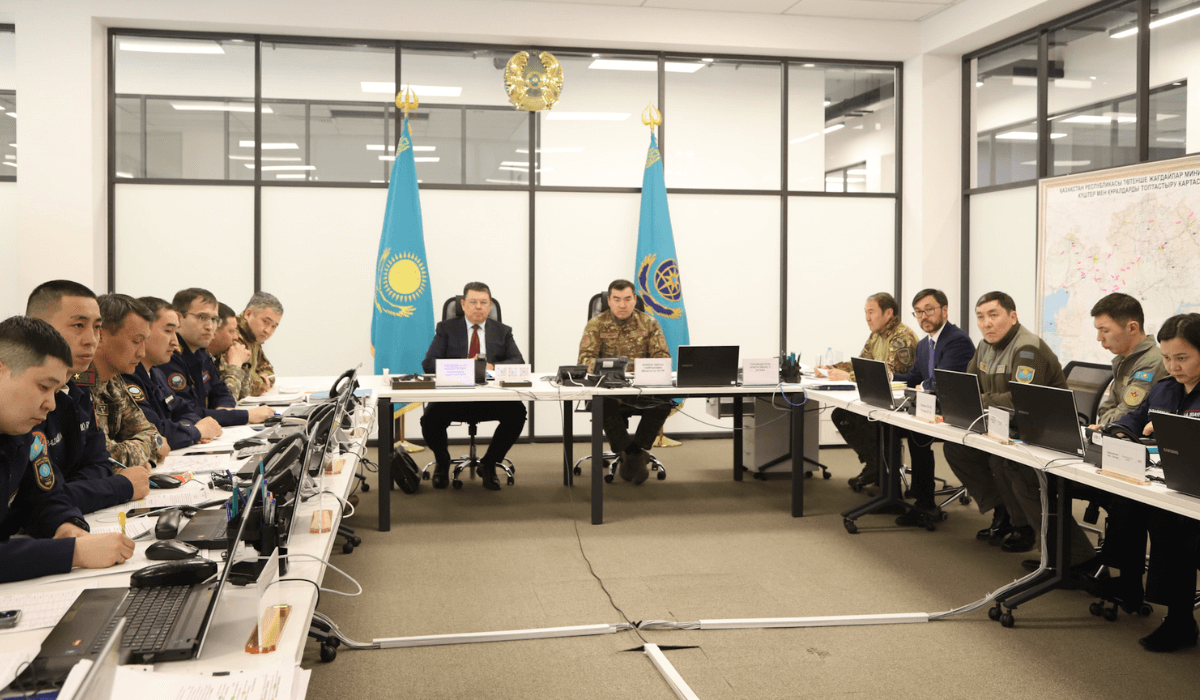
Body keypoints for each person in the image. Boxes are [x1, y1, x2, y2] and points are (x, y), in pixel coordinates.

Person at [941, 292, 1093, 564]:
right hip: (1006, 428)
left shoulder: (1028, 349)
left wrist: (979, 400)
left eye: (993, 315)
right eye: (980, 317)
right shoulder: (985, 345)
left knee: (1003, 461)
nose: (986, 323)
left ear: (1012, 317)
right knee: (957, 449)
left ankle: (1026, 528)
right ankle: (1004, 512)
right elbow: (968, 386)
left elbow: (1021, 400)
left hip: (1043, 435)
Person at [1094, 313, 1200, 652]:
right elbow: (1134, 419)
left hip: (1194, 495)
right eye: (1167, 357)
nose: (1173, 366)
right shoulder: (1165, 388)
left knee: (1168, 520)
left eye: (1182, 357)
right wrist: (1116, 431)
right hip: (1170, 482)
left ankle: (1180, 620)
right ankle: (1128, 584)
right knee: (1125, 501)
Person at [0, 315, 135, 582]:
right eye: (43, 387)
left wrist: (66, 526)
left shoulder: (20, 431)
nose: (51, 404)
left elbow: (43, 498)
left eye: (56, 391)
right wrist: (72, 553)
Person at [25, 281, 150, 513]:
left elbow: (99, 463)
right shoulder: (23, 400)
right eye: (78, 325)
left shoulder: (77, 392)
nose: (91, 339)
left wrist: (80, 490)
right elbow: (39, 501)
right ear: (39, 328)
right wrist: (120, 486)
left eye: (96, 327)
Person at [420, 282, 527, 491]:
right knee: (430, 419)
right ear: (463, 304)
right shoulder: (446, 329)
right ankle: (442, 461)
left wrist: (492, 367)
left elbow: (518, 362)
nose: (478, 306)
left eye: (483, 302)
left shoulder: (503, 331)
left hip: (490, 398)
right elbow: (429, 364)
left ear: (490, 305)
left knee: (517, 413)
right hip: (454, 398)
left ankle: (489, 463)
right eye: (473, 302)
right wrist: (465, 366)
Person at [814, 292, 918, 490]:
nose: (867, 318)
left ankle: (880, 470)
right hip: (879, 398)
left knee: (861, 419)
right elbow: (861, 364)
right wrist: (830, 368)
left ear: (888, 313)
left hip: (900, 404)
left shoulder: (902, 338)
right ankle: (875, 465)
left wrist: (847, 376)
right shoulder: (876, 335)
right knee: (841, 415)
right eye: (866, 312)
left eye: (871, 312)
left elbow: (889, 374)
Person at [891, 288, 974, 525]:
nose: (923, 317)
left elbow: (942, 382)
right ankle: (893, 494)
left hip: (956, 413)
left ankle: (925, 503)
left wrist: (922, 386)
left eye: (929, 310)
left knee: (916, 434)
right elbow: (914, 377)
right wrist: (890, 378)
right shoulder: (924, 344)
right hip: (931, 408)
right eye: (918, 312)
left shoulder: (957, 341)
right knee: (890, 427)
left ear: (944, 310)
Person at [577, 279, 672, 485]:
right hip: (609, 390)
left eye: (628, 299)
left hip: (641, 389)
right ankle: (633, 453)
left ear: (635, 300)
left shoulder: (649, 323)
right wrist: (612, 370)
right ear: (609, 301)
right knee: (602, 403)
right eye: (617, 299)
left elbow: (662, 357)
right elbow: (585, 359)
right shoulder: (596, 324)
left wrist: (640, 370)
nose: (622, 305)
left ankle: (633, 451)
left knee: (665, 401)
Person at [159, 288, 273, 427]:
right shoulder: (168, 356)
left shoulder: (201, 353)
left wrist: (224, 411)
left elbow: (221, 392)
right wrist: (245, 416)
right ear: (178, 318)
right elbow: (186, 413)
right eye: (202, 317)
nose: (209, 326)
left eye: (214, 319)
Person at [123, 297, 223, 450]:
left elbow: (187, 412)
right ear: (143, 331)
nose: (175, 342)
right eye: (168, 331)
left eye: (176, 332)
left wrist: (187, 431)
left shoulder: (156, 373)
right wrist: (195, 432)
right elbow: (155, 432)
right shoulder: (125, 377)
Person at [90, 294, 165, 467]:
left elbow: (149, 430)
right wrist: (149, 450)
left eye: (144, 342)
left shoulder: (113, 380)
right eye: (136, 341)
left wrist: (147, 447)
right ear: (100, 335)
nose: (142, 353)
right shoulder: (79, 384)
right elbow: (105, 457)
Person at [1090, 293, 1167, 425]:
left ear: (1132, 328)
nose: (1099, 338)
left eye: (1105, 331)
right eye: (1098, 330)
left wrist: (1105, 423)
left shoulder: (1151, 363)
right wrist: (1106, 422)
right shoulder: (1124, 360)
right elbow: (1104, 410)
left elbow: (1124, 420)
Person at [237, 292, 282, 396]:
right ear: (248, 314)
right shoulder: (232, 334)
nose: (268, 331)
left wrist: (263, 380)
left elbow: (268, 370)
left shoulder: (253, 337)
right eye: (266, 322)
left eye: (274, 326)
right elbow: (243, 382)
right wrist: (262, 382)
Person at [209, 302, 253, 401]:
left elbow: (242, 393)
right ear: (214, 331)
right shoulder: (199, 358)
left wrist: (243, 364)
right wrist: (235, 366)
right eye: (231, 331)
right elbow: (225, 401)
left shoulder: (220, 356)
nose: (236, 337)